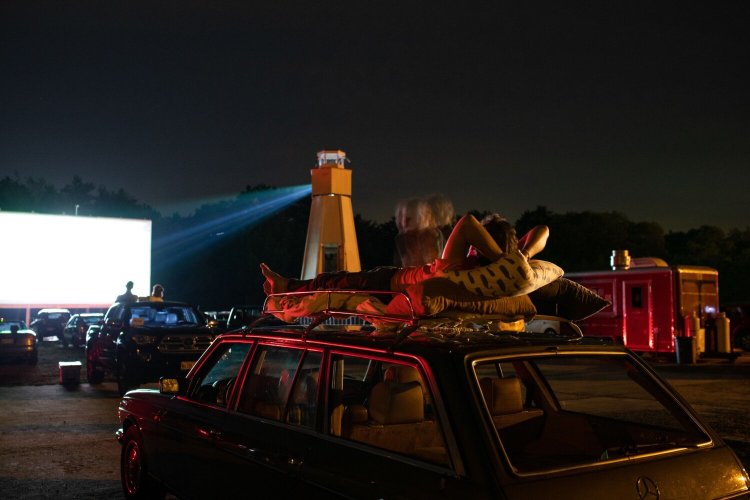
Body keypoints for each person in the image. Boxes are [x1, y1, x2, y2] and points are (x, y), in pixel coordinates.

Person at [261, 213, 549, 297]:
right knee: (336, 279)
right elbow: (543, 230)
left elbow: (467, 223)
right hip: (395, 279)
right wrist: (516, 257)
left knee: (335, 281)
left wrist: (502, 259)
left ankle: (287, 286)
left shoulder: (461, 265)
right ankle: (287, 285)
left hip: (392, 282)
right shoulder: (496, 275)